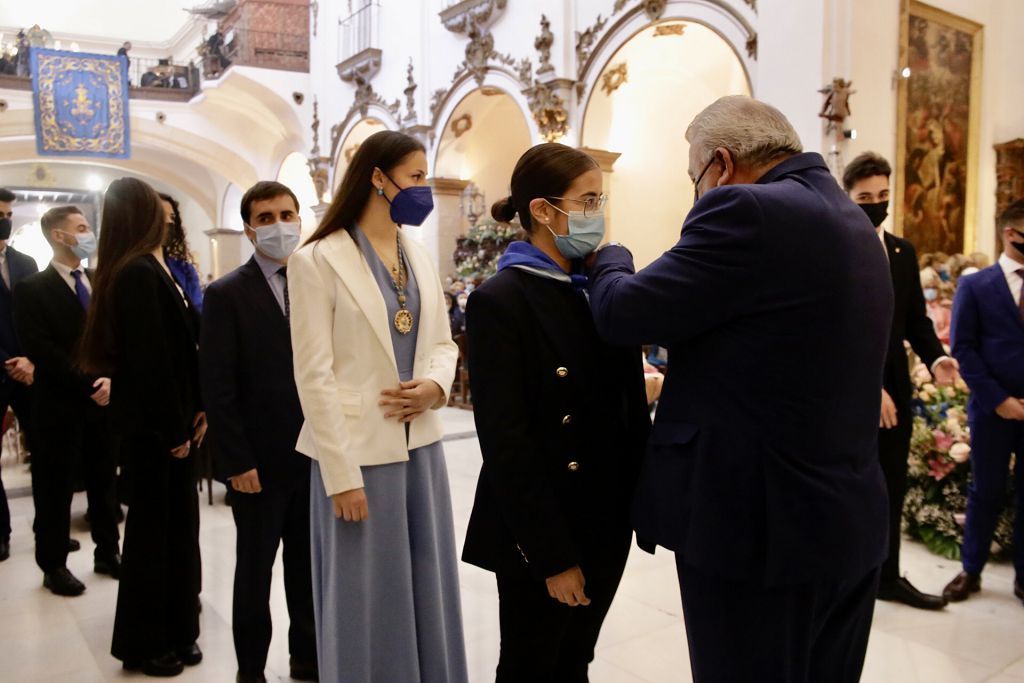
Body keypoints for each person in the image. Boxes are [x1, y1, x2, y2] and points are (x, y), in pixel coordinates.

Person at [587, 96, 893, 682]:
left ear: (722, 165)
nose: (697, 195)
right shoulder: (851, 219)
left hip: (759, 532)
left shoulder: (746, 209)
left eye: (693, 179)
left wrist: (613, 257)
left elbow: (623, 313)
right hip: (846, 522)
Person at [462, 143, 649, 682]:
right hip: (545, 528)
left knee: (575, 658)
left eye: (601, 199)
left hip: (605, 518)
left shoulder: (597, 288)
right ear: (543, 211)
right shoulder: (502, 300)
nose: (598, 213)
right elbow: (507, 442)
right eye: (587, 200)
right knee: (530, 664)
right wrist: (551, 556)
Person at [289, 130, 467, 682]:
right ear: (377, 177)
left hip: (422, 447)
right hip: (357, 454)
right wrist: (339, 476)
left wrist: (437, 386)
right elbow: (313, 375)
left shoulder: (415, 252)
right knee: (365, 594)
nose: (422, 190)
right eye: (415, 178)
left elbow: (442, 341)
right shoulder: (317, 259)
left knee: (427, 580)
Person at [79, 177, 206, 678]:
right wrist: (175, 429)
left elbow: (180, 351)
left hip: (174, 423)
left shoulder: (158, 267)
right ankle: (142, 642)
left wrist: (198, 407)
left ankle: (178, 629)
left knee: (179, 533)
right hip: (157, 433)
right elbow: (150, 362)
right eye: (159, 207)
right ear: (141, 214)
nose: (169, 214)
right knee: (153, 539)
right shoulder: (135, 272)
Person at [200, 181, 317, 683]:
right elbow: (218, 387)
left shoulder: (318, 281)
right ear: (249, 229)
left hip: (314, 456)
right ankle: (250, 669)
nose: (278, 225)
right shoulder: (226, 293)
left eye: (286, 215)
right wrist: (236, 462)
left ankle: (307, 657)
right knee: (254, 572)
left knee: (307, 571)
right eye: (265, 218)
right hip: (258, 463)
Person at [843, 151, 957, 610]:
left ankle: (887, 576)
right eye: (866, 197)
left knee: (890, 483)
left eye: (884, 195)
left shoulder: (902, 252)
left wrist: (936, 358)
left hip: (896, 383)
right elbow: (836, 328)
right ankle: (848, 576)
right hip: (851, 384)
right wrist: (869, 389)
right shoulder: (836, 249)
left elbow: (915, 320)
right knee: (852, 485)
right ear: (848, 197)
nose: (877, 203)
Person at [12, 206, 121, 596]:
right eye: (82, 228)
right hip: (59, 404)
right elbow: (43, 349)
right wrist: (93, 382)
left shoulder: (97, 281)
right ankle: (53, 563)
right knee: (55, 488)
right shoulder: (31, 290)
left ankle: (108, 551)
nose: (89, 233)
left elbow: (113, 339)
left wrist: (112, 377)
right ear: (60, 236)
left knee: (104, 480)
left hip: (103, 402)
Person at [942, 199, 1024, 608]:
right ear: (1011, 233)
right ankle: (970, 569)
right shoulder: (976, 285)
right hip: (993, 409)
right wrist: (1000, 400)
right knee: (985, 490)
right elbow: (965, 348)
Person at [0, 187, 39, 562]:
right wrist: (8, 361)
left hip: (30, 371)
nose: (5, 220)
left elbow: (36, 315)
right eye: (0, 213)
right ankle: (1, 531)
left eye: (9, 214)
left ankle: (48, 529)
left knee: (44, 450)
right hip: (2, 368)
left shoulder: (25, 262)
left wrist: (31, 358)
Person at [159, 193, 204, 312]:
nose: (169, 222)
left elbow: (198, 308)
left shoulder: (184, 269)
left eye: (172, 217)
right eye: (161, 216)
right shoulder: (136, 267)